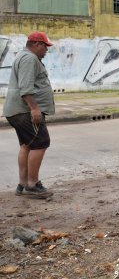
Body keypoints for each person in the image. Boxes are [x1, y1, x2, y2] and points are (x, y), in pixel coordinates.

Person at [3, 32, 55, 199]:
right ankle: (32, 184)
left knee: (26, 145)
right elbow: (25, 87)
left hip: (17, 111)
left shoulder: (25, 56)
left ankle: (23, 184)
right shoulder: (29, 59)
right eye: (45, 46)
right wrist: (34, 108)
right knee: (41, 142)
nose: (46, 50)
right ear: (36, 44)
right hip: (24, 111)